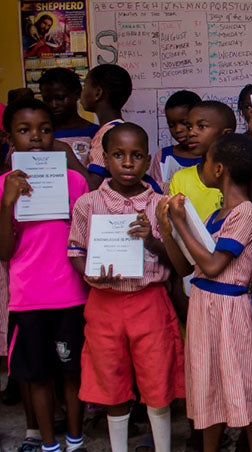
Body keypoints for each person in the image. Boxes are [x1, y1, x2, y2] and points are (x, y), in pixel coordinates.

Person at [67, 123, 184, 452]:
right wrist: (92, 273)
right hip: (104, 302)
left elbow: (176, 261)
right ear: (106, 159)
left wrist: (151, 239)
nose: (128, 163)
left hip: (149, 301)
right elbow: (75, 251)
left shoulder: (162, 204)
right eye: (118, 155)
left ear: (148, 162)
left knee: (157, 378)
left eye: (136, 156)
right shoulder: (88, 204)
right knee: (110, 379)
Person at [157, 133, 252, 452]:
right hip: (204, 306)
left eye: (205, 161)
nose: (201, 166)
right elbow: (186, 268)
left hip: (230, 310)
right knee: (208, 391)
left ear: (219, 170)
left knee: (243, 393)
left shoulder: (246, 213)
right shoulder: (216, 214)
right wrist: (168, 229)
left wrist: (181, 220)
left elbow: (215, 264)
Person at [0, 99, 90, 452]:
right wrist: (7, 203)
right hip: (29, 297)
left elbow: (85, 235)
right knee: (36, 374)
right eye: (24, 130)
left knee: (71, 371)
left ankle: (75, 438)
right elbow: (4, 252)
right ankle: (48, 444)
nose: (36, 137)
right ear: (10, 138)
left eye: (45, 129)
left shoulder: (74, 182)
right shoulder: (4, 185)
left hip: (72, 293)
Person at [168, 101, 235, 222]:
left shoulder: (237, 176)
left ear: (226, 134)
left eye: (202, 126)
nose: (191, 133)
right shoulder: (180, 179)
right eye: (189, 127)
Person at [81, 64, 134, 190]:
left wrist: (65, 150)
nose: (81, 93)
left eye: (84, 87)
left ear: (98, 93)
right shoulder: (118, 129)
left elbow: (92, 185)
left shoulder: (108, 134)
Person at [38, 68, 100, 166]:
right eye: (47, 99)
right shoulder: (38, 135)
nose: (53, 105)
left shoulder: (95, 133)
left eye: (60, 98)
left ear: (77, 94)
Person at [149, 90, 203, 185]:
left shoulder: (213, 156)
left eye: (184, 123)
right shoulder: (163, 157)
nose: (177, 130)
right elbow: (155, 192)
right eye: (171, 125)